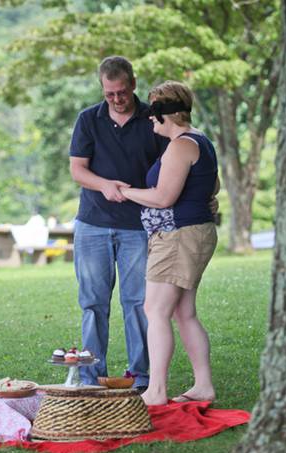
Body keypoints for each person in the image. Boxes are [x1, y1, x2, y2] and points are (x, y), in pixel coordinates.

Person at [68, 56, 169, 390]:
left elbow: (170, 167)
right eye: (109, 94)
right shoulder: (88, 119)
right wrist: (105, 185)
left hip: (138, 225)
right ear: (102, 88)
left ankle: (141, 377)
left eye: (122, 92)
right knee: (93, 303)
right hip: (93, 224)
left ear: (134, 84)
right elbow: (77, 169)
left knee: (138, 302)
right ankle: (90, 377)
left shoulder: (153, 121)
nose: (116, 99)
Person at [120, 81, 219, 406]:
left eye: (153, 113)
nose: (150, 119)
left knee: (156, 310)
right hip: (193, 234)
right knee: (183, 312)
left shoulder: (180, 146)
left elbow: (163, 198)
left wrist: (125, 191)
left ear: (166, 114)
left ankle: (157, 390)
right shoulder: (200, 141)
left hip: (178, 237)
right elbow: (212, 187)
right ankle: (203, 386)